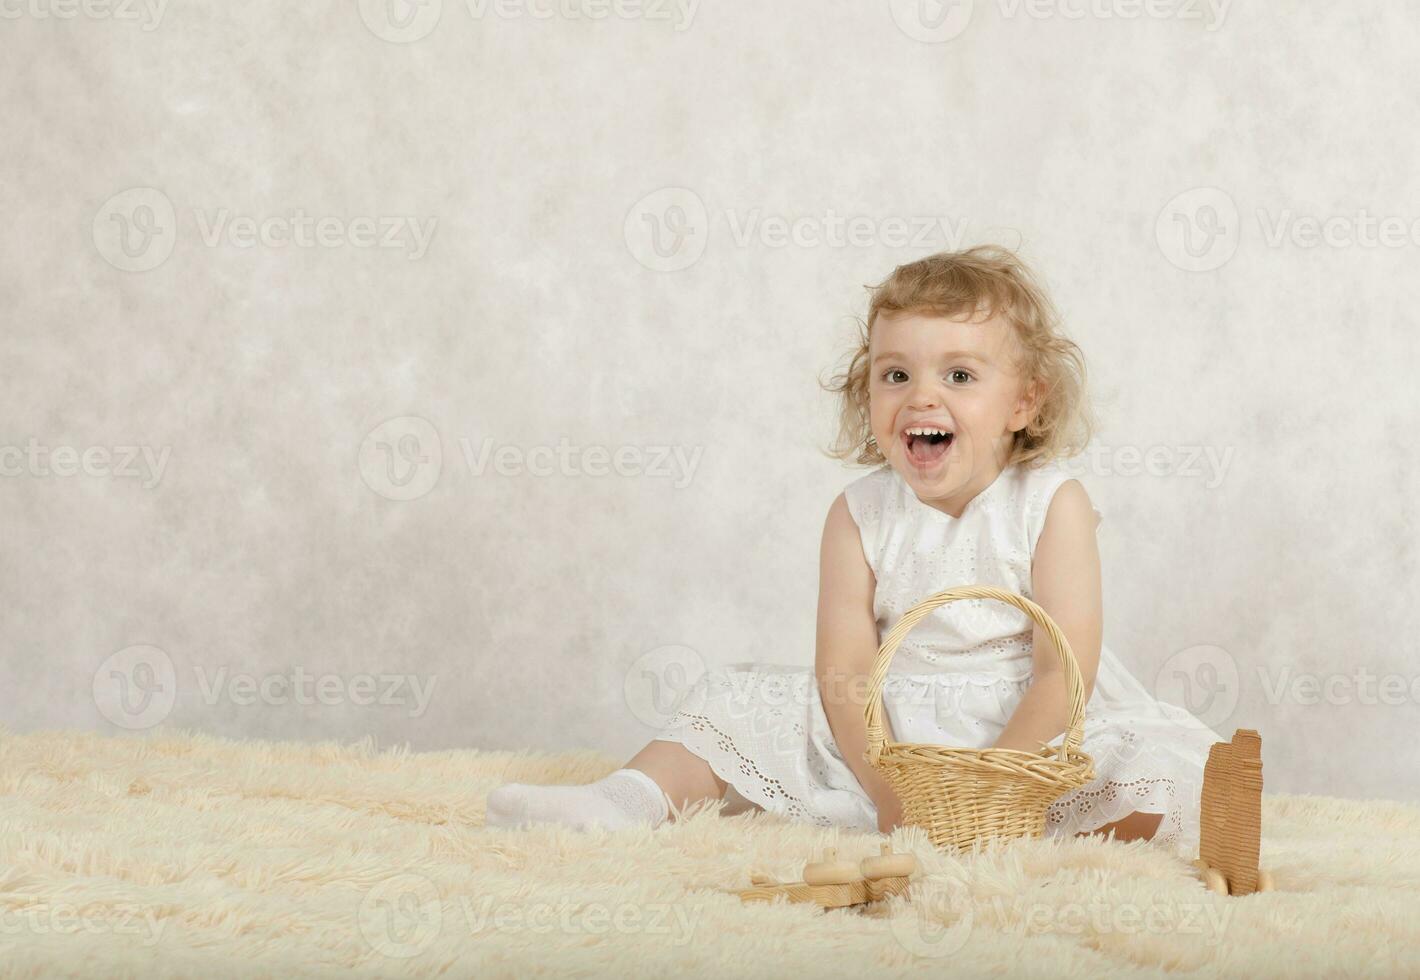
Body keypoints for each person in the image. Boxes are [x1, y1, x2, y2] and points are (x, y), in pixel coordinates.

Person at [485, 244, 1222, 857]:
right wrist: (889, 791)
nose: (922, 396)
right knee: (730, 700)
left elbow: (1065, 669)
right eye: (895, 374)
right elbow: (843, 670)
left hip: (1028, 725)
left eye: (959, 376)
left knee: (1158, 762)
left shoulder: (1051, 502)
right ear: (866, 391)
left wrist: (999, 780)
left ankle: (1048, 835)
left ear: (1023, 403)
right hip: (891, 724)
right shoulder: (858, 514)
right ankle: (621, 802)